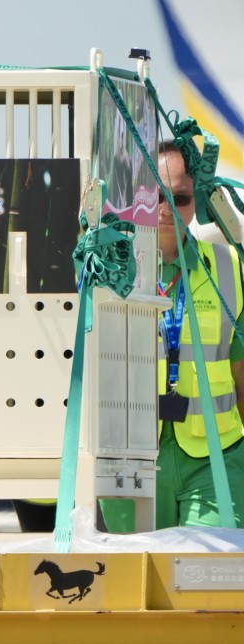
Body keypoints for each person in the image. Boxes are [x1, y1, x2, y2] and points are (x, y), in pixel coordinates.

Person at [104, 140, 244, 533]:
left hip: (214, 459)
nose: (165, 211)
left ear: (196, 201)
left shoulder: (229, 267)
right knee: (132, 588)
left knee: (211, 585)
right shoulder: (110, 270)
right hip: (127, 463)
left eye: (179, 198)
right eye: (155, 197)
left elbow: (240, 372)